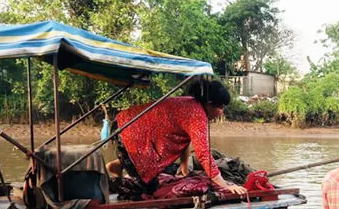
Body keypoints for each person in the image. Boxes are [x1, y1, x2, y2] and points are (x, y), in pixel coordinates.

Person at [106, 79, 247, 195]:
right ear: (210, 104)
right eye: (221, 107)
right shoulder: (197, 115)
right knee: (148, 189)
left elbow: (184, 140)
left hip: (127, 126)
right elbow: (203, 154)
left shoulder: (192, 104)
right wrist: (224, 185)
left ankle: (118, 165)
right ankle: (108, 183)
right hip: (128, 132)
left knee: (160, 168)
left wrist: (184, 168)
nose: (222, 112)